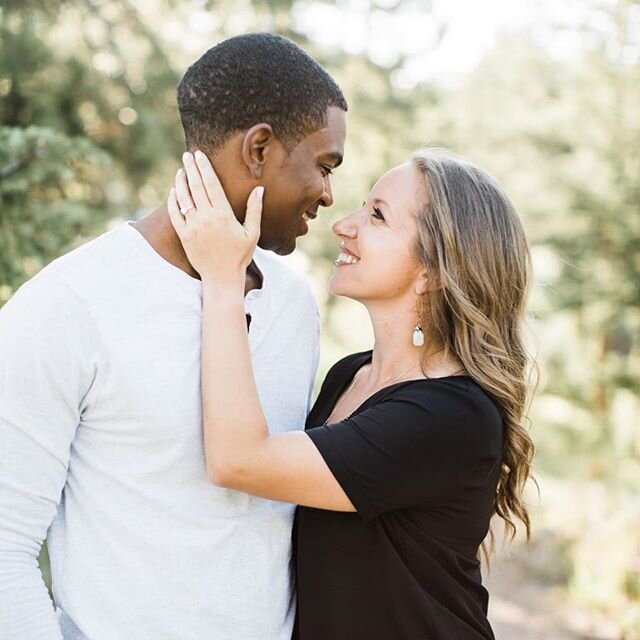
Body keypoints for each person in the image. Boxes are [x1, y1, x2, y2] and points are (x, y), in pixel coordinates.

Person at [0, 33, 346, 639]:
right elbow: (4, 547)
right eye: (323, 165)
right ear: (259, 148)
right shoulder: (70, 304)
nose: (329, 194)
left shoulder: (294, 307)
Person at [168, 147, 536, 639]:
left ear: (434, 271)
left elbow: (238, 460)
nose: (344, 224)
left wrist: (222, 277)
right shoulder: (350, 375)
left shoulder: (453, 416)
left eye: (377, 216)